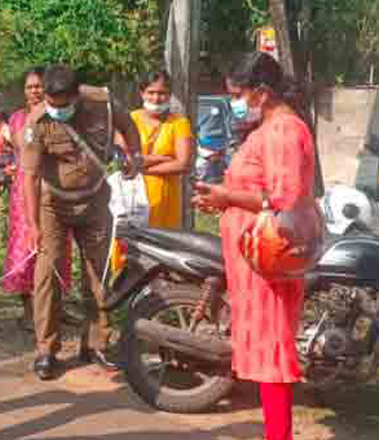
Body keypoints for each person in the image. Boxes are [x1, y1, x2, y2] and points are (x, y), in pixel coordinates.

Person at [193, 52, 315, 440]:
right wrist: (222, 197)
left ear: (261, 92)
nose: (235, 102)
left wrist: (226, 196)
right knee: (264, 353)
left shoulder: (282, 131)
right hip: (254, 261)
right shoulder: (266, 128)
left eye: (238, 93)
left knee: (272, 354)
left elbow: (281, 198)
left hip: (270, 260)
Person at [21, 65, 142, 380]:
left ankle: (97, 343)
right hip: (54, 206)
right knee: (47, 276)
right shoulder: (37, 121)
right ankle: (47, 350)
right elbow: (31, 176)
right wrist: (33, 225)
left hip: (94, 201)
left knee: (99, 273)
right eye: (51, 103)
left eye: (63, 105)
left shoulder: (102, 102)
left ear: (76, 95)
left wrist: (136, 156)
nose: (56, 111)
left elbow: (129, 126)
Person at [4, 67, 72, 331]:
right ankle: (29, 311)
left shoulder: (59, 116)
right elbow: (21, 146)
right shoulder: (18, 119)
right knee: (27, 248)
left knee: (58, 247)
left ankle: (56, 307)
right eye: (30, 87)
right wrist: (35, 115)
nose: (34, 91)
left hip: (55, 189)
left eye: (39, 86)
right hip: (25, 191)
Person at [128, 70, 194, 229]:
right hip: (133, 197)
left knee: (162, 246)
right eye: (151, 92)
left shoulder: (179, 123)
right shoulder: (130, 119)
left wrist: (143, 168)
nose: (156, 98)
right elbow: (126, 160)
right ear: (141, 93)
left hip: (166, 200)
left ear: (170, 94)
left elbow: (183, 164)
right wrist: (164, 159)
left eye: (162, 93)